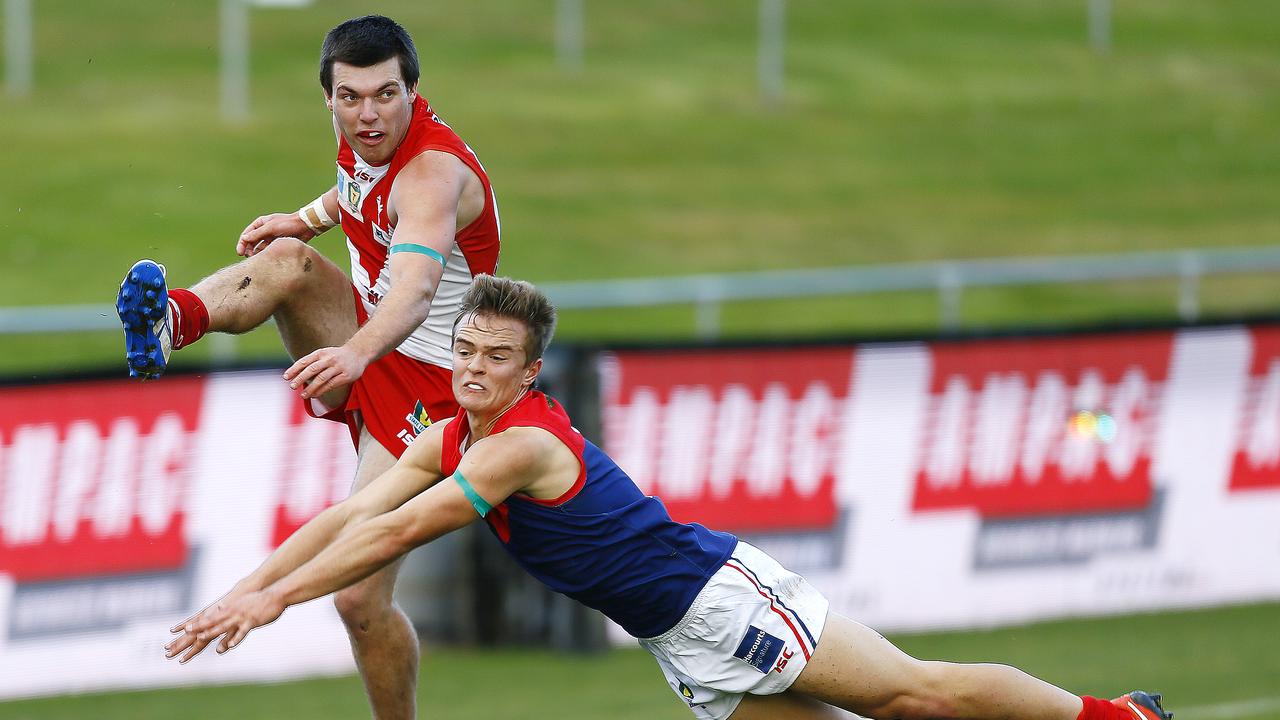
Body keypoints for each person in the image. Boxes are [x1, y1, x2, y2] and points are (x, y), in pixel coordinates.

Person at [164, 275, 1173, 720]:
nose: (470, 368)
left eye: (493, 358)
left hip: (721, 599)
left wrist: (271, 603)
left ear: (530, 372)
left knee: (917, 695)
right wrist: (247, 591)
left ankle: (1114, 718)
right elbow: (351, 514)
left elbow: (407, 523)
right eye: (463, 350)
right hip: (676, 643)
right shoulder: (453, 428)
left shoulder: (514, 446)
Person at [117, 15, 500, 719]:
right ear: (328, 98)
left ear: (414, 90)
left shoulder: (431, 176)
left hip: (436, 393)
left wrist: (353, 352)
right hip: (369, 341)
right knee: (287, 263)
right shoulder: (360, 138)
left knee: (357, 596)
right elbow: (350, 191)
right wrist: (303, 219)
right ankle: (171, 323)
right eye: (350, 98)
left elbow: (414, 294)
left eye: (386, 95)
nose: (368, 114)